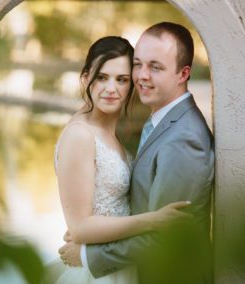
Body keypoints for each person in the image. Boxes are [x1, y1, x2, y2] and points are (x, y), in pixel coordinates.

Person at [59, 22, 214, 284]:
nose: (142, 75)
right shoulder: (159, 121)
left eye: (155, 67)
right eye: (138, 64)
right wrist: (88, 229)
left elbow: (165, 232)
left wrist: (88, 255)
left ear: (183, 73)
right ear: (86, 78)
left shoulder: (184, 137)